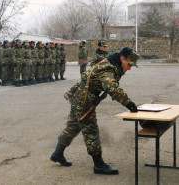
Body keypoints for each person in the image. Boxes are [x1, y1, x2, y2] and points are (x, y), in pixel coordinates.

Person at [50, 47, 140, 175]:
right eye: (129, 64)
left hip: (79, 97)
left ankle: (57, 153)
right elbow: (112, 87)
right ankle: (99, 165)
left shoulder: (111, 63)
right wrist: (129, 103)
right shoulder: (108, 68)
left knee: (73, 127)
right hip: (84, 100)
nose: (130, 68)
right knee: (90, 130)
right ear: (122, 58)